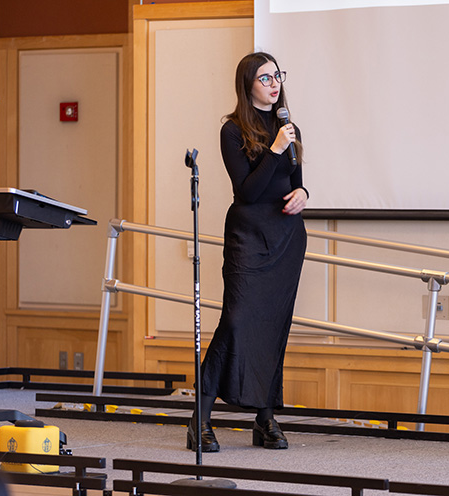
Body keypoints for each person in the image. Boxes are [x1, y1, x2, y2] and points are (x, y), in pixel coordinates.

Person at [187, 52, 309, 452]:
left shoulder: (289, 128)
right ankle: (199, 421)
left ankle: (265, 418)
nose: (274, 84)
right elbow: (248, 192)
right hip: (249, 237)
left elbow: (296, 181)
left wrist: (303, 194)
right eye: (265, 77)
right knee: (236, 323)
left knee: (273, 328)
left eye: (277, 76)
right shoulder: (232, 131)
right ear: (248, 85)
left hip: (286, 238)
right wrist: (274, 149)